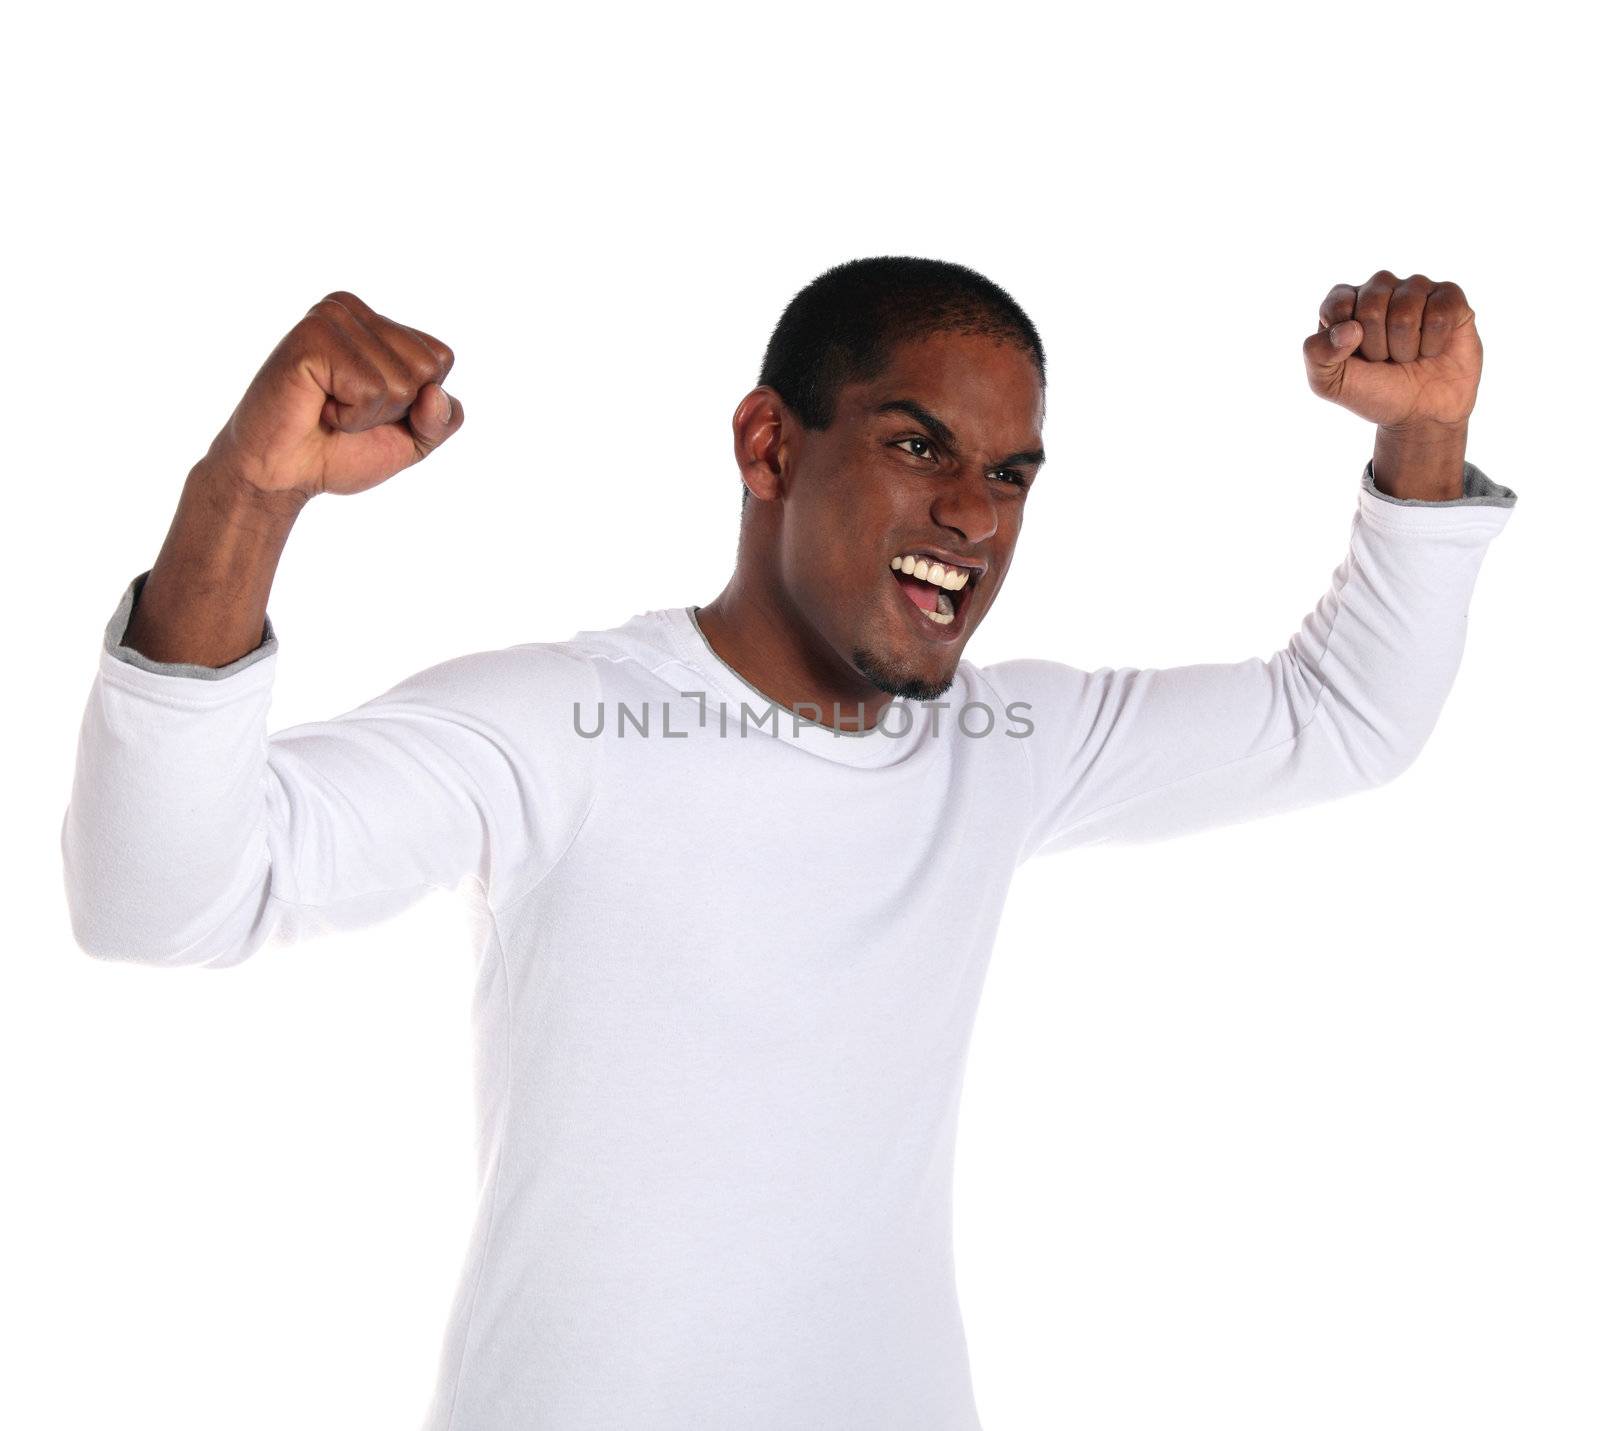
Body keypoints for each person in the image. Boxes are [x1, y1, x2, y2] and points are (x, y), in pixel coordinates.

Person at [60, 258, 1517, 1430]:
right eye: (918, 445)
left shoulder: (1003, 751)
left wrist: (1426, 431)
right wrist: (243, 498)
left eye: (1012, 475)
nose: (972, 512)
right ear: (770, 444)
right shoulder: (564, 724)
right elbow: (160, 898)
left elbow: (1345, 720)